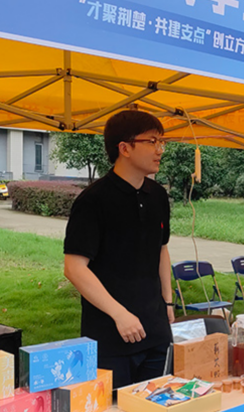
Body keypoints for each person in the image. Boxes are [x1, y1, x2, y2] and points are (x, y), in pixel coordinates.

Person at [63, 110, 174, 389]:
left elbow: (161, 250)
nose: (160, 150)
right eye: (152, 141)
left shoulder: (158, 195)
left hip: (156, 331)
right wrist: (119, 314)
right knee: (114, 411)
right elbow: (74, 268)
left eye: (161, 142)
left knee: (157, 404)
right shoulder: (93, 201)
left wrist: (168, 302)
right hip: (110, 334)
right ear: (124, 148)